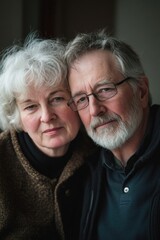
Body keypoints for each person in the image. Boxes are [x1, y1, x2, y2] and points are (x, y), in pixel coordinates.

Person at [65, 29, 160, 240]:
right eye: (81, 99)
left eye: (105, 89)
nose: (94, 110)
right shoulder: (83, 170)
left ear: (141, 91)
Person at [0, 34, 95, 240]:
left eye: (57, 99)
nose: (46, 116)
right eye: (31, 106)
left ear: (77, 100)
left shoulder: (99, 153)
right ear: (17, 117)